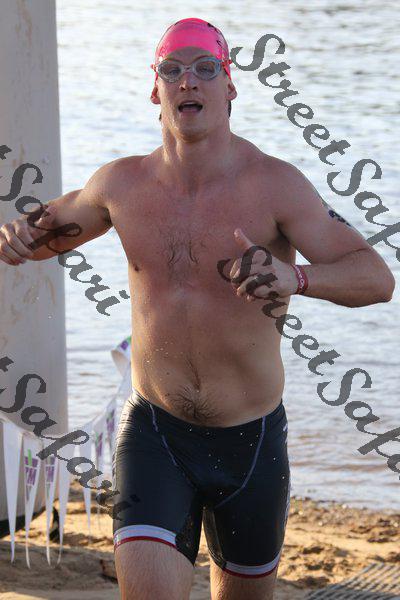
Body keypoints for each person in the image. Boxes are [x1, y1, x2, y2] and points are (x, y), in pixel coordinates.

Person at [0, 16, 395, 600]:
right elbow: (42, 234)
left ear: (230, 87)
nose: (189, 81)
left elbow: (377, 278)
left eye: (206, 68)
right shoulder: (121, 185)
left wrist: (296, 277)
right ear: (154, 89)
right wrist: (15, 237)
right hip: (155, 433)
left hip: (251, 444)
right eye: (172, 69)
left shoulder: (277, 186)